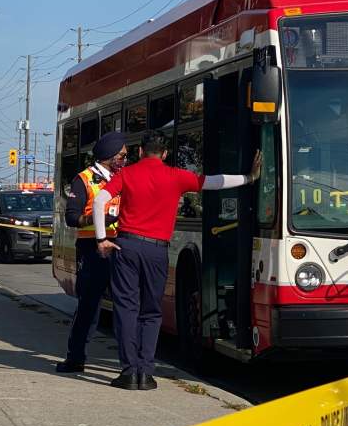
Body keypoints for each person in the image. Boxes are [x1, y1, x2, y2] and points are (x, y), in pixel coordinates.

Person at [91, 131, 261, 390]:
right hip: (157, 250)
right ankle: (146, 373)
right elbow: (214, 182)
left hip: (127, 246)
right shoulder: (176, 176)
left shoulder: (126, 174)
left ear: (140, 151)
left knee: (126, 309)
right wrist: (249, 178)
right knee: (151, 311)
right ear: (165, 153)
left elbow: (99, 200)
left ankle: (128, 372)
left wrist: (101, 239)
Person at [55, 131, 128, 373]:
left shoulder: (123, 177)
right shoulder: (84, 179)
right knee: (89, 305)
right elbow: (71, 217)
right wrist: (96, 219)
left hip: (121, 245)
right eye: (122, 156)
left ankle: (129, 365)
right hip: (92, 250)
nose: (125, 160)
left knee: (125, 306)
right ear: (109, 155)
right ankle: (75, 357)